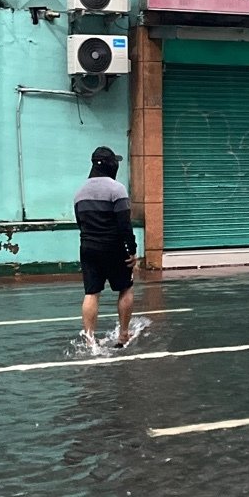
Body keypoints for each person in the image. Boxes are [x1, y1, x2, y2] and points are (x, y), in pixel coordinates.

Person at [73, 146, 137, 348]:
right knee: (125, 288)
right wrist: (132, 249)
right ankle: (123, 335)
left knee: (92, 293)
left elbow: (80, 223)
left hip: (88, 247)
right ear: (111, 165)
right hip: (113, 246)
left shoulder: (79, 192)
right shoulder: (116, 189)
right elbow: (124, 223)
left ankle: (90, 340)